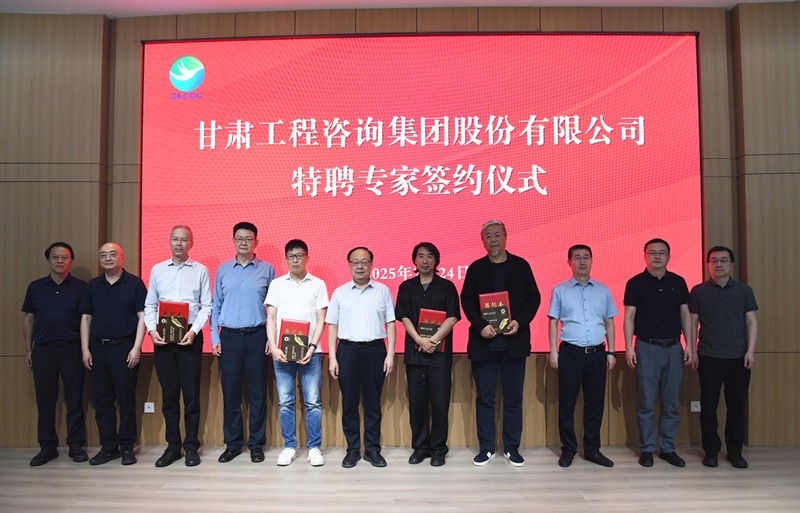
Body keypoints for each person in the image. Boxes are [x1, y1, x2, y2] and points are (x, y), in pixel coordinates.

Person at [460, 220, 541, 467]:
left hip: (513, 344)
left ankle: (511, 447)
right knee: (485, 398)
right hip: (484, 345)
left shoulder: (521, 266)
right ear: (482, 241)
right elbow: (467, 300)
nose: (493, 240)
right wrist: (480, 325)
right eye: (488, 236)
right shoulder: (476, 268)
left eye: (497, 235)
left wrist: (519, 321)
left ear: (506, 237)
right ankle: (486, 447)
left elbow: (534, 298)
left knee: (513, 398)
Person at [144, 226, 212, 467]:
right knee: (169, 396)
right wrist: (152, 331)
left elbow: (207, 306)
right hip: (163, 337)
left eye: (184, 240)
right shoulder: (157, 270)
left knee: (191, 396)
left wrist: (194, 332)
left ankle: (191, 446)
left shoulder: (200, 270)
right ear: (169, 241)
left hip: (189, 336)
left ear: (191, 243)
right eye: (175, 239)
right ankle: (173, 446)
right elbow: (150, 304)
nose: (179, 243)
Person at [624, 238, 695, 468]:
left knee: (671, 402)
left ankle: (667, 448)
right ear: (645, 256)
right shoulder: (635, 283)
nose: (657, 256)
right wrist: (628, 347)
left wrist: (689, 345)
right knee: (646, 402)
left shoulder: (678, 282)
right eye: (652, 252)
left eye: (661, 252)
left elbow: (685, 314)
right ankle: (646, 448)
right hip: (647, 347)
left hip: (674, 348)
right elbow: (629, 317)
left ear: (669, 256)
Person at [211, 222, 275, 464]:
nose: (244, 242)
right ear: (233, 241)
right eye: (239, 238)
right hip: (228, 338)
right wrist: (215, 337)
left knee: (257, 393)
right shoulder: (223, 270)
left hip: (257, 337)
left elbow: (274, 309)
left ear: (256, 242)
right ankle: (233, 444)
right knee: (231, 393)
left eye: (249, 238)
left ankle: (256, 444)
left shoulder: (267, 270)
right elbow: (216, 306)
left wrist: (271, 338)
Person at [548, 244, 618, 468]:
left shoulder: (603, 290)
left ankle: (592, 450)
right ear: (569, 262)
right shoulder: (560, 290)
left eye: (586, 257)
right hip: (570, 353)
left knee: (595, 404)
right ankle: (568, 449)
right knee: (567, 405)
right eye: (577, 257)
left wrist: (611, 351)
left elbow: (609, 322)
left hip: (598, 353)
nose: (582, 261)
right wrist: (553, 351)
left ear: (592, 261)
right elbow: (553, 321)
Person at [327, 247, 396, 468]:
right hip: (347, 351)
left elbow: (391, 323)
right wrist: (332, 357)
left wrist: (390, 353)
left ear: (371, 264)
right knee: (349, 403)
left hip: (375, 351)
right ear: (349, 265)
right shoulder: (339, 293)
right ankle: (353, 450)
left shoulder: (383, 291)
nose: (360, 266)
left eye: (364, 262)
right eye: (355, 262)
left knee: (373, 403)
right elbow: (332, 326)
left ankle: (373, 450)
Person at [689, 246, 758, 469]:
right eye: (714, 260)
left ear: (731, 264)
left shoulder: (744, 290)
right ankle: (711, 451)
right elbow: (692, 322)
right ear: (708, 264)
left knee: (736, 408)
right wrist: (692, 349)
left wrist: (750, 351)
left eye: (723, 260)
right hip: (708, 357)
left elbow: (751, 322)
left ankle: (735, 452)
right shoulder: (698, 291)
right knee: (708, 407)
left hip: (738, 358)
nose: (718, 264)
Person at [80, 242, 147, 466]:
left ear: (122, 257)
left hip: (124, 349)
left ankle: (127, 447)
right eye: (103, 255)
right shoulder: (92, 286)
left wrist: (137, 347)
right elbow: (86, 318)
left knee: (126, 400)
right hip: (97, 349)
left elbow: (142, 316)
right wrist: (85, 349)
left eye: (112, 254)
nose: (108, 258)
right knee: (102, 401)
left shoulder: (134, 284)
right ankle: (108, 447)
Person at [22, 242, 88, 466]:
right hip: (43, 350)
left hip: (72, 349)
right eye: (55, 257)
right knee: (46, 401)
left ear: (71, 261)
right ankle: (47, 447)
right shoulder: (35, 287)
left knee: (74, 399)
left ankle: (76, 445)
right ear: (48, 260)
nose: (60, 261)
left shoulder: (81, 288)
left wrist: (85, 349)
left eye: (64, 257)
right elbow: (28, 319)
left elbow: (86, 319)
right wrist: (28, 350)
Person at [395, 242, 460, 467]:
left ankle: (439, 449)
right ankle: (420, 448)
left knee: (440, 404)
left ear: (436, 260)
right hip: (415, 355)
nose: (425, 261)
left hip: (439, 355)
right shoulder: (406, 287)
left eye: (429, 256)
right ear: (414, 260)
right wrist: (420, 340)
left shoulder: (447, 287)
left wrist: (434, 340)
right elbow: (404, 317)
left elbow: (453, 316)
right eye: (420, 256)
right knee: (417, 404)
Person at [265, 239, 328, 467]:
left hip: (311, 353)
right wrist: (273, 347)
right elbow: (271, 318)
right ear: (286, 259)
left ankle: (314, 448)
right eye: (291, 256)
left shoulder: (318, 284)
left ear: (307, 257)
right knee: (285, 402)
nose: (295, 260)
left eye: (299, 256)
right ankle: (289, 446)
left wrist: (312, 347)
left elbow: (321, 320)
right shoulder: (277, 285)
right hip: (282, 353)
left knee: (313, 402)